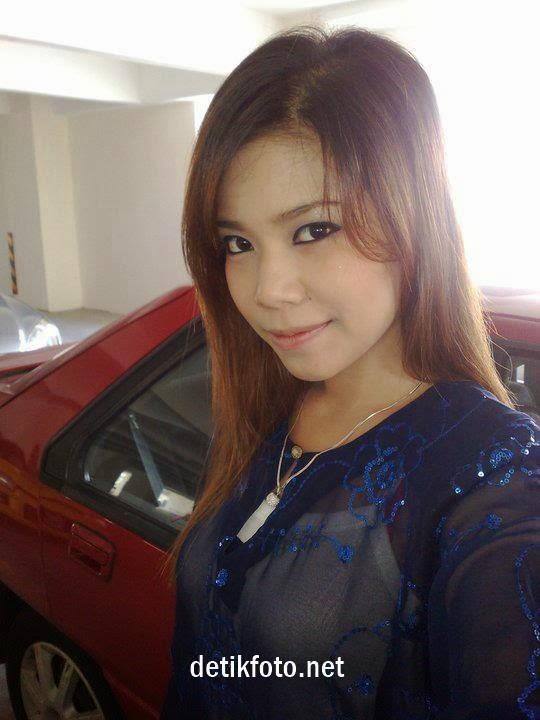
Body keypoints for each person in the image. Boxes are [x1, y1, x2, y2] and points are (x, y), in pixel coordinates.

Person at [160, 25, 540, 720]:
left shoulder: (494, 480)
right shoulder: (267, 411)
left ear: (413, 220)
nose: (268, 290)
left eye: (314, 229)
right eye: (237, 243)